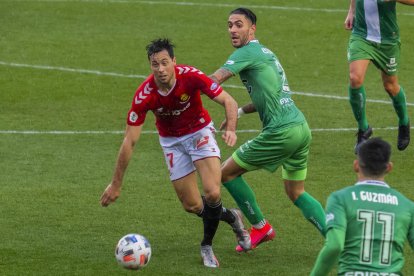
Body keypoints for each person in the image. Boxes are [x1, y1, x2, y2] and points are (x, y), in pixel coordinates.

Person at [100, 38, 251, 268]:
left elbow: (228, 101)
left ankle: (206, 246)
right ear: (150, 66)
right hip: (171, 142)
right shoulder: (145, 95)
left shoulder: (190, 76)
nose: (160, 69)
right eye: (154, 64)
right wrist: (116, 184)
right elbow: (129, 142)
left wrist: (231, 129)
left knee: (211, 192)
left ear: (173, 61)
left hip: (199, 132)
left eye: (164, 62)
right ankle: (232, 217)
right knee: (192, 205)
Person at [209, 8, 326, 252]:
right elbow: (271, 96)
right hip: (300, 128)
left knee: (226, 174)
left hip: (281, 132)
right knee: (296, 192)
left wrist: (184, 86)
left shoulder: (246, 52)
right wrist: (240, 112)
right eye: (229, 24)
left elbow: (214, 80)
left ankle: (261, 227)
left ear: (252, 29)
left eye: (238, 25)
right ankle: (337, 239)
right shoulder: (265, 52)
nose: (232, 29)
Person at [311, 137, 414, 275]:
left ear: (356, 165)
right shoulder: (407, 206)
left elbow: (334, 246)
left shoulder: (340, 199)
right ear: (389, 167)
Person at [344, 0, 413, 153]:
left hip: (387, 40)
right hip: (361, 35)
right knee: (355, 78)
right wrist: (351, 12)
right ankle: (364, 129)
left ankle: (404, 121)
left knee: (390, 86)